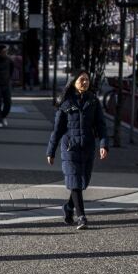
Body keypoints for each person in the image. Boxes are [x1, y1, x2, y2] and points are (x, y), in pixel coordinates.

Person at [46, 70, 109, 230]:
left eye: (87, 79)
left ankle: (68, 208)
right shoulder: (66, 103)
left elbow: (101, 125)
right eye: (82, 79)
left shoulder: (93, 101)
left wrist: (103, 144)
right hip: (70, 148)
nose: (85, 82)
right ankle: (82, 217)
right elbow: (58, 129)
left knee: (82, 182)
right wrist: (51, 151)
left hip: (87, 147)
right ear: (74, 81)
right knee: (75, 182)